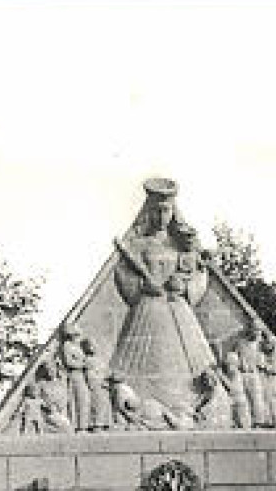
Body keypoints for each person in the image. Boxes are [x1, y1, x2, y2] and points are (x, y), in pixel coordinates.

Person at [108, 178, 219, 416]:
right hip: (147, 309)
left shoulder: (183, 246)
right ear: (148, 212)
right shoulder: (137, 244)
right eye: (156, 210)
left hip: (179, 311)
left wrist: (184, 286)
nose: (161, 216)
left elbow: (198, 274)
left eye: (166, 210)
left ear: (172, 213)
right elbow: (122, 273)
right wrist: (141, 285)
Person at [59, 329, 111, 431]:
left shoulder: (76, 346)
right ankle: (80, 427)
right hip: (75, 375)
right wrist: (83, 365)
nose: (77, 337)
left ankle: (85, 425)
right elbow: (68, 362)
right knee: (80, 400)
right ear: (70, 335)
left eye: (77, 335)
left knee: (85, 400)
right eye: (75, 335)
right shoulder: (67, 346)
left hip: (82, 375)